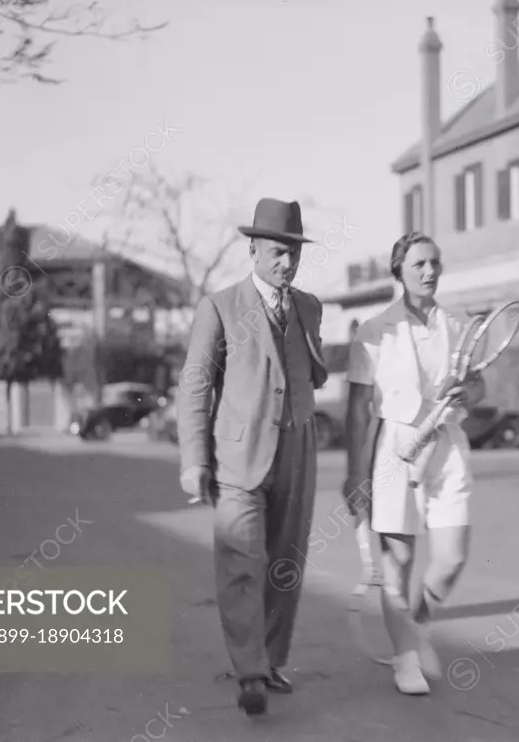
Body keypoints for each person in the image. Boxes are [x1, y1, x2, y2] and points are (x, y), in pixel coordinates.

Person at [177, 197, 328, 717]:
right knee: (241, 562)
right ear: (253, 249)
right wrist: (195, 458)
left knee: (286, 562)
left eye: (294, 253)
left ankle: (271, 660)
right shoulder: (219, 307)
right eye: (278, 252)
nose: (287, 262)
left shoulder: (309, 308)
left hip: (297, 452)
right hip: (238, 459)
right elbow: (195, 386)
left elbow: (309, 371)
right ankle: (250, 672)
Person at [343, 231, 485, 695]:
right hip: (395, 450)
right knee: (398, 564)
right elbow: (357, 409)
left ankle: (418, 624)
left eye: (435, 263)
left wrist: (469, 392)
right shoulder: (373, 332)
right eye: (419, 264)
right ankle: (405, 658)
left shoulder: (458, 324)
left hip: (447, 446)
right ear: (399, 272)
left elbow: (478, 386)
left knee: (452, 558)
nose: (429, 271)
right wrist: (355, 474)